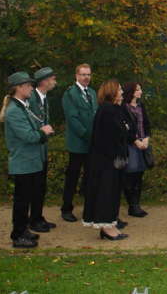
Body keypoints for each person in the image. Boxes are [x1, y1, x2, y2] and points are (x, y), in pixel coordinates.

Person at [0, 72, 55, 248]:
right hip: (23, 162)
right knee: (21, 201)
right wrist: (43, 132)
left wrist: (41, 131)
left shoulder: (23, 106)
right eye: (29, 85)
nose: (32, 87)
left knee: (27, 198)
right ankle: (17, 235)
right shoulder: (14, 111)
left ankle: (24, 230)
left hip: (31, 161)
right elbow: (28, 136)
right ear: (19, 87)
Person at [82, 80, 131, 240]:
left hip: (112, 161)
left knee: (112, 194)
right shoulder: (107, 111)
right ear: (112, 93)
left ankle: (110, 224)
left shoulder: (114, 109)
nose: (122, 92)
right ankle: (106, 227)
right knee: (106, 193)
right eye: (120, 90)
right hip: (106, 162)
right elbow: (111, 137)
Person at [61, 63, 98, 222]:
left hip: (92, 144)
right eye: (83, 74)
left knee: (91, 177)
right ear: (76, 76)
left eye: (88, 74)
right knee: (73, 177)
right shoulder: (70, 94)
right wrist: (88, 135)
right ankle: (66, 209)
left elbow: (95, 116)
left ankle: (89, 209)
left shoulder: (92, 92)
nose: (86, 78)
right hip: (78, 144)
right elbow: (73, 119)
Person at [27, 67, 58, 233]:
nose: (54, 81)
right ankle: (33, 220)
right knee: (35, 186)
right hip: (33, 149)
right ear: (44, 81)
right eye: (52, 78)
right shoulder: (32, 99)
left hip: (42, 148)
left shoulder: (44, 98)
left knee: (40, 186)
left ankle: (37, 216)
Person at [122, 82, 151, 218]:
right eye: (138, 89)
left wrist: (146, 139)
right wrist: (135, 141)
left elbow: (147, 124)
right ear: (132, 92)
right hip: (131, 145)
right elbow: (124, 129)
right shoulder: (124, 108)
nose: (141, 91)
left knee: (140, 175)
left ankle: (136, 204)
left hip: (143, 144)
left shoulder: (141, 106)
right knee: (130, 175)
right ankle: (132, 205)